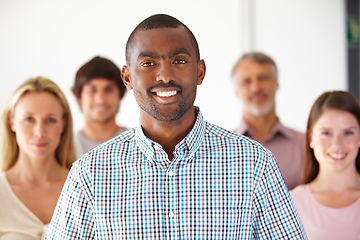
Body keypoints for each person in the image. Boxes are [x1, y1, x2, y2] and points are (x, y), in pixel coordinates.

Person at [45, 14, 307, 239]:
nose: (165, 76)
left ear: (200, 71)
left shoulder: (254, 163)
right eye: (148, 63)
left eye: (179, 61)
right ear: (127, 77)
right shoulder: (89, 174)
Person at [0, 77, 76, 239]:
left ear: (63, 124)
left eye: (50, 120)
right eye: (29, 119)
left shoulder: (84, 187)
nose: (40, 132)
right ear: (11, 122)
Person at [290, 91, 360, 239]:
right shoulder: (292, 204)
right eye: (326, 133)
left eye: (348, 133)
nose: (337, 144)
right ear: (310, 138)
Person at [232, 52, 304, 190]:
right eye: (246, 81)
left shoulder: (305, 145)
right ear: (237, 91)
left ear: (276, 84)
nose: (256, 88)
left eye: (263, 78)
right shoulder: (221, 149)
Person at [72, 56, 127, 158]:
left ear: (121, 94)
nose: (100, 100)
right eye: (92, 90)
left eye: (108, 89)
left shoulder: (140, 145)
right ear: (78, 95)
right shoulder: (64, 148)